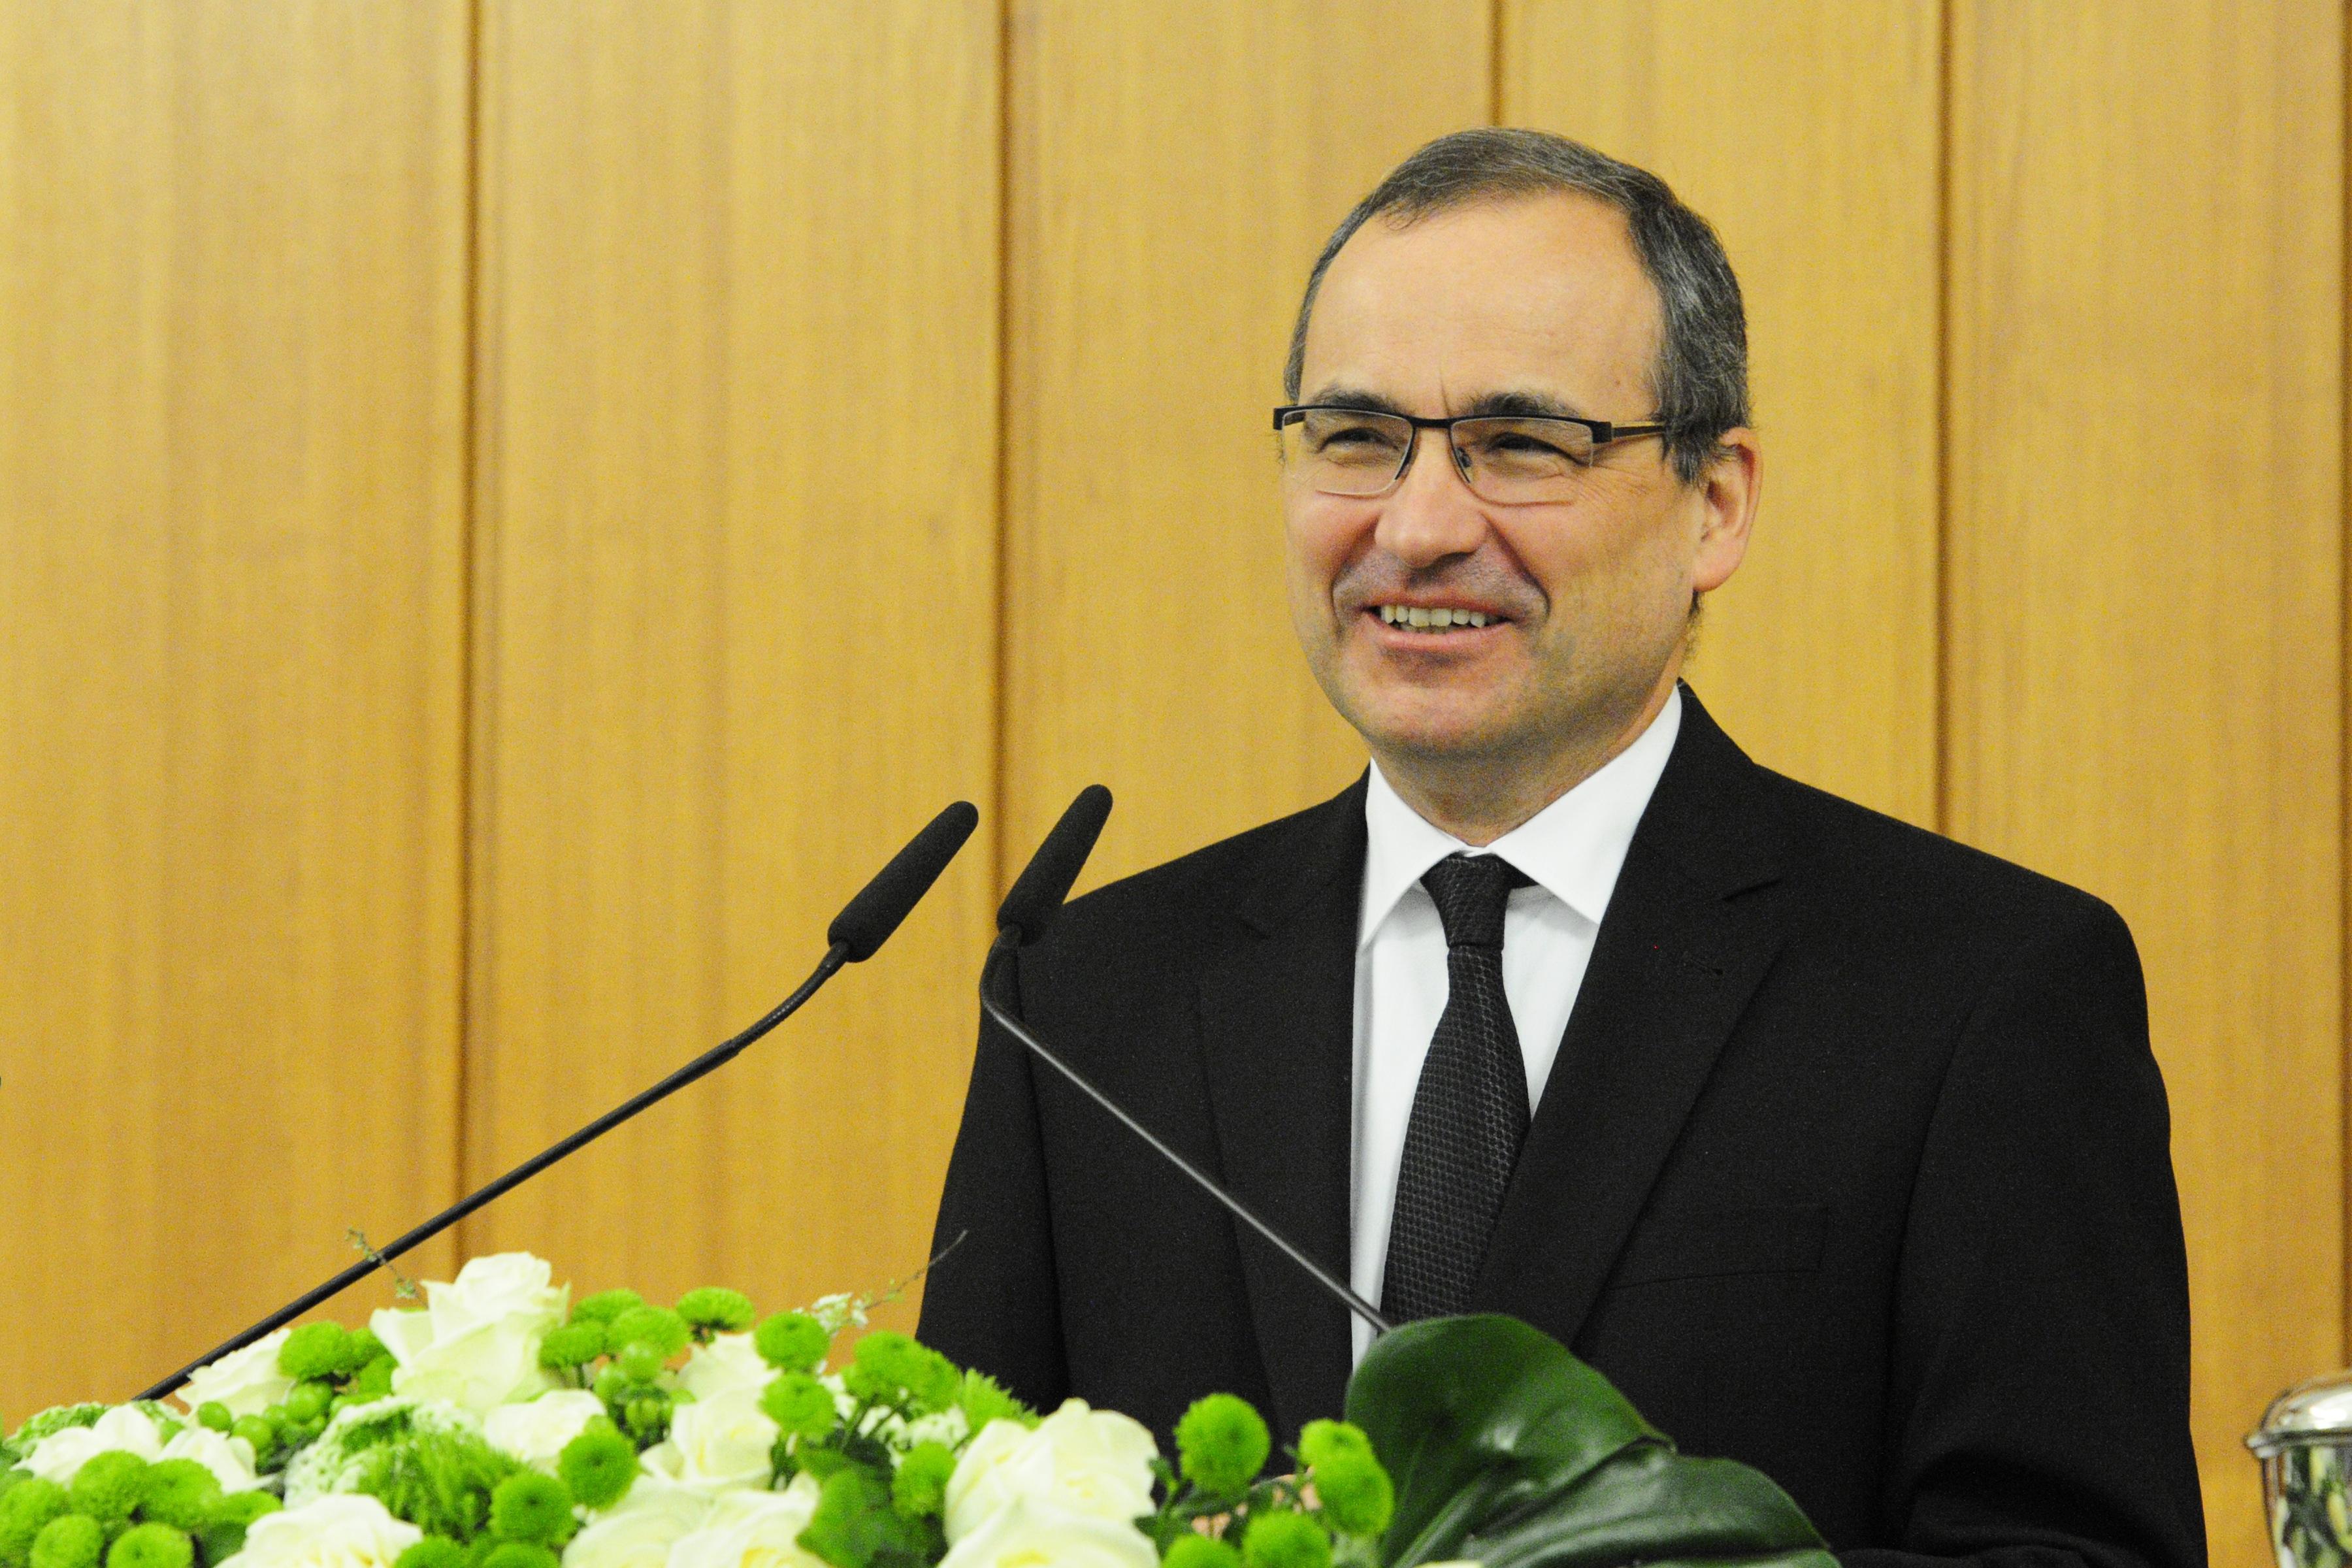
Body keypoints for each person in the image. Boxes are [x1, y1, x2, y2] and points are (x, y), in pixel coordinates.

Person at [917, 129, 2204, 1568]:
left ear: (1716, 503)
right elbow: (963, 1520)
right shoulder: (1087, 999)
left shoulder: (1978, 994)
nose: (1417, 525)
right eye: (1356, 438)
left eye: (1520, 445)